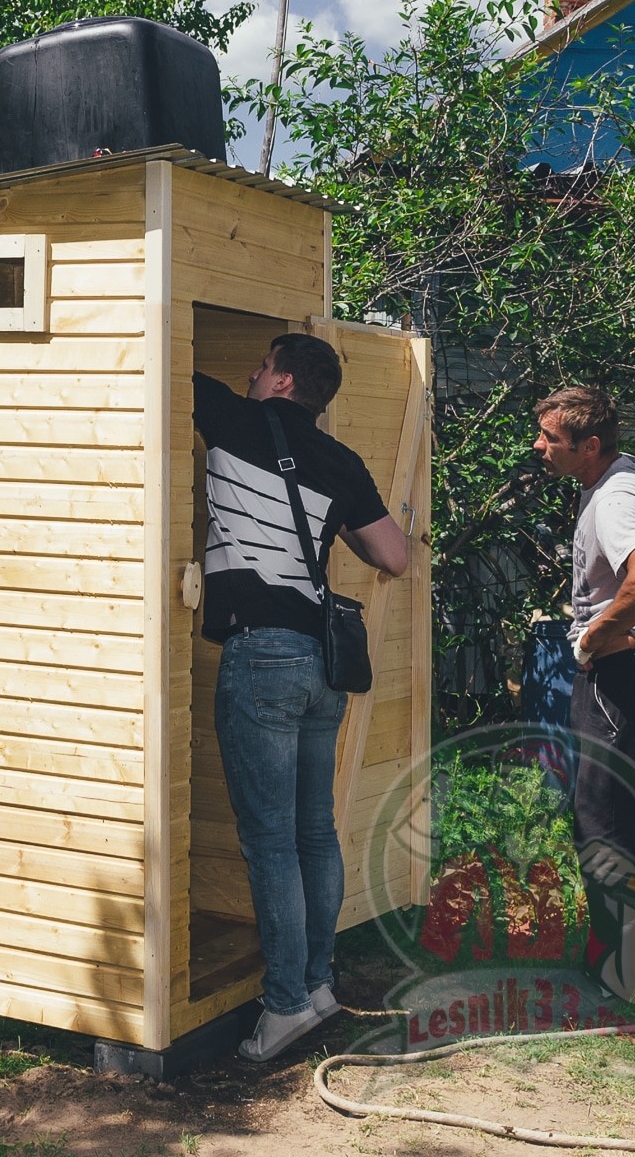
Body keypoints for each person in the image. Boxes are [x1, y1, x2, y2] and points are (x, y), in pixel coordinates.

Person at [193, 333, 408, 1062]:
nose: (248, 375)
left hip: (261, 655)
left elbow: (152, 358)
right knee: (312, 832)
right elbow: (393, 555)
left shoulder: (228, 419)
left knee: (269, 842)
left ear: (281, 381)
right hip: (322, 663)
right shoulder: (340, 463)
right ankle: (317, 986)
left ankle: (284, 1004)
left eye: (258, 367)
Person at [533, 387, 635, 1002]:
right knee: (620, 815)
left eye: (551, 439)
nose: (539, 447)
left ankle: (623, 969)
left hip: (619, 676)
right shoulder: (623, 476)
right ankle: (627, 957)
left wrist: (592, 635)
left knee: (601, 822)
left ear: (589, 446)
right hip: (632, 676)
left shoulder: (614, 497)